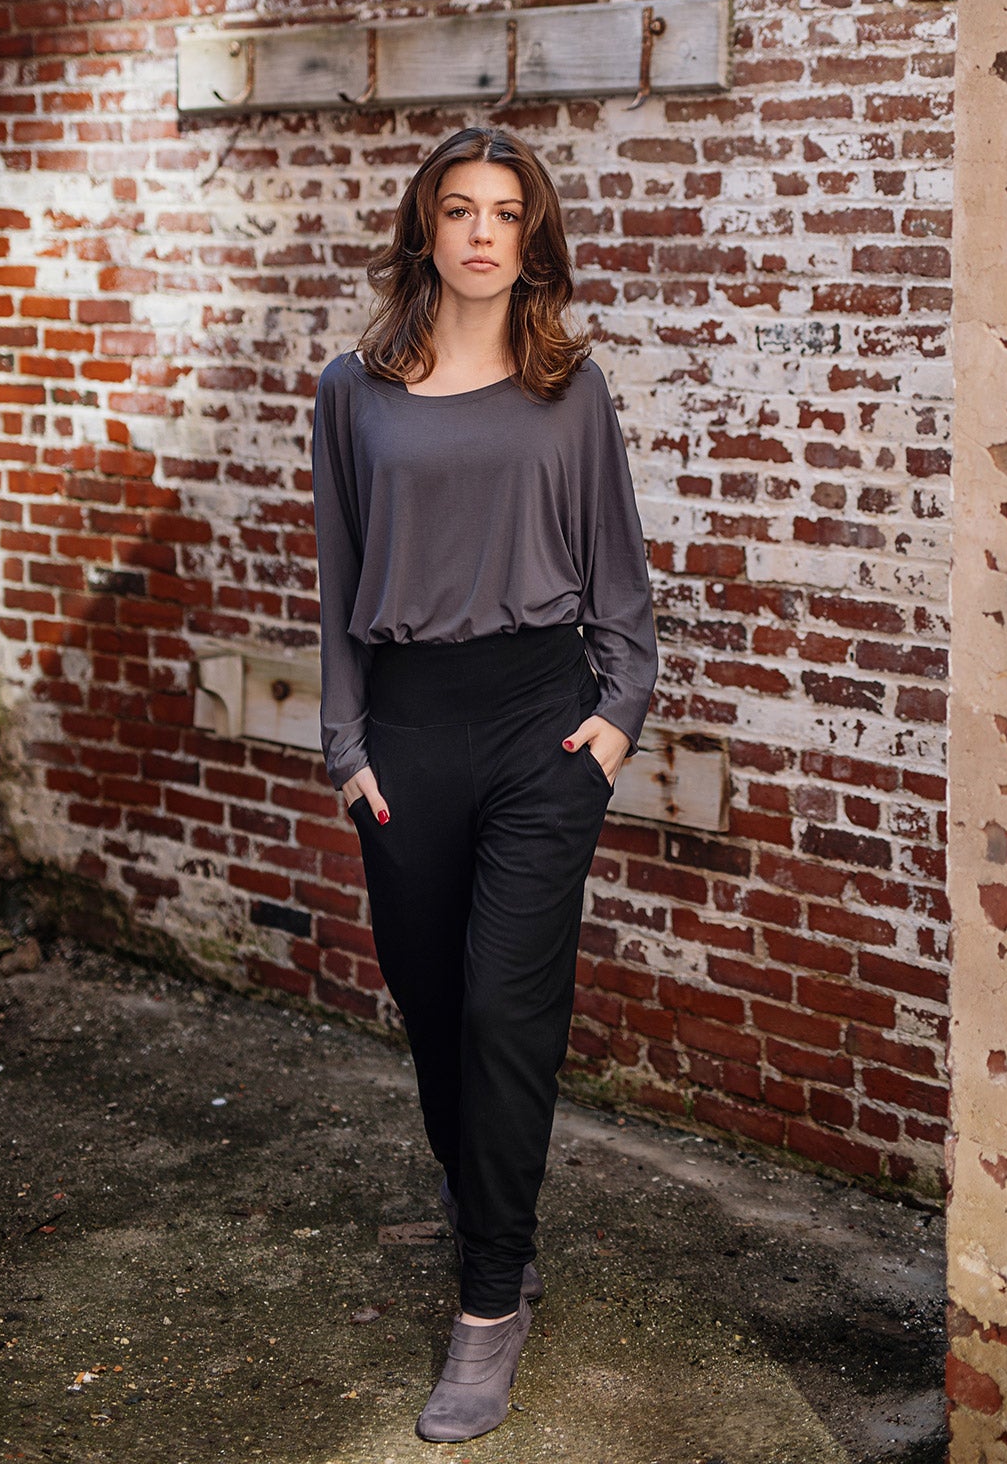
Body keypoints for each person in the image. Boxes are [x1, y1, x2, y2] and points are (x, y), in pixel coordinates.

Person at [310, 123, 658, 1443]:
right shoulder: (354, 388)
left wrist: (613, 720)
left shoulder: (569, 389)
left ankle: (488, 1305)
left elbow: (619, 581)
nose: (477, 232)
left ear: (531, 238)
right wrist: (347, 751)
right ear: (426, 229)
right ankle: (488, 1203)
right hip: (405, 728)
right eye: (456, 209)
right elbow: (340, 582)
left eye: (503, 212)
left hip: (537, 723)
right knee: (436, 1005)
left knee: (508, 1010)